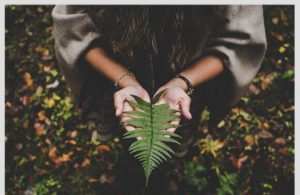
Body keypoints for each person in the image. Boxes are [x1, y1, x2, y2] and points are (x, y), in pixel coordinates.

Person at [52, 5, 267, 157]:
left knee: (175, 133)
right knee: (126, 127)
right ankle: (135, 156)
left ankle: (162, 158)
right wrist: (128, 82)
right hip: (114, 70)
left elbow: (238, 41)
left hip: (190, 77)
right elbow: (73, 29)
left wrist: (180, 83)